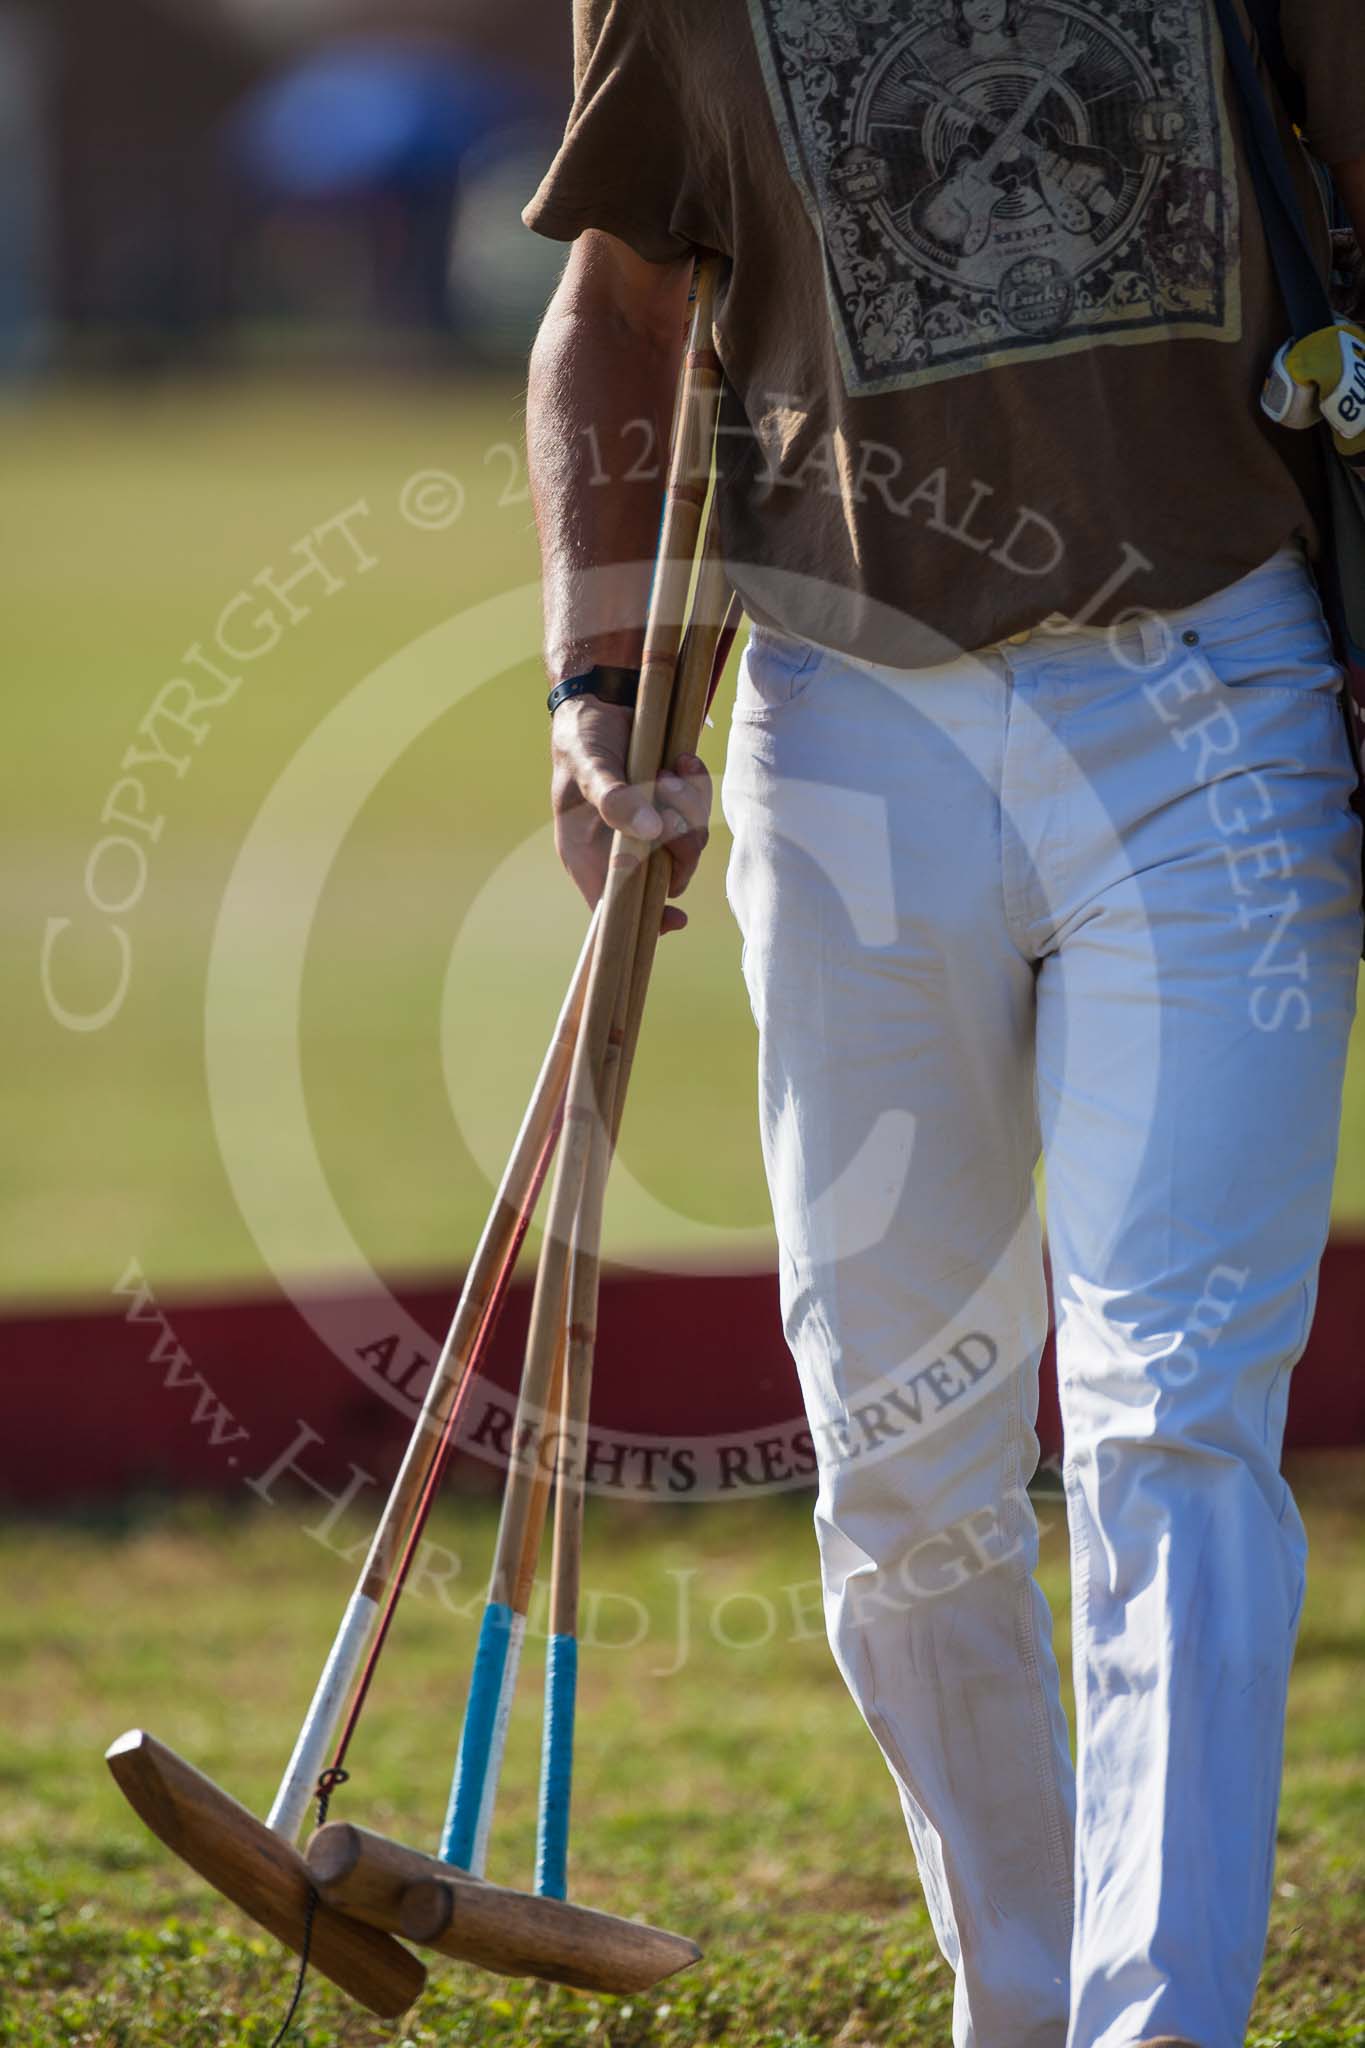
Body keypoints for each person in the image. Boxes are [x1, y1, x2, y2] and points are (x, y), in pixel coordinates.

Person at [522, 4, 1365, 2044]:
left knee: (1175, 1399)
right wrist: (591, 686)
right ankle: (1017, 1993)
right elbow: (619, 305)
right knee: (902, 1452)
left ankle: (1156, 2024)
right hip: (846, 715)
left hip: (1213, 688)